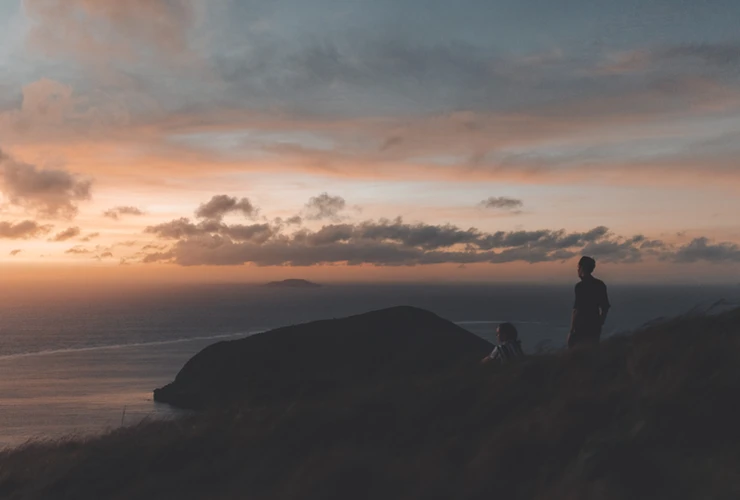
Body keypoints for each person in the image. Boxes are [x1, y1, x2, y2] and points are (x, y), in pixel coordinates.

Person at [568, 256, 610, 348]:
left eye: (578, 267)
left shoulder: (579, 286)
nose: (577, 270)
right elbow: (605, 307)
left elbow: (576, 310)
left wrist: (571, 331)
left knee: (576, 356)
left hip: (580, 326)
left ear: (582, 268)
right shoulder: (600, 285)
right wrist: (600, 322)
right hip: (594, 325)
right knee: (591, 353)